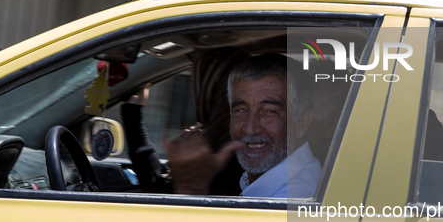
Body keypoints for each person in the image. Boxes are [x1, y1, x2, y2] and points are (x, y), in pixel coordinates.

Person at [165, 53, 322, 198]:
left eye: (269, 111)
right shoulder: (276, 182)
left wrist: (192, 189)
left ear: (301, 124)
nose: (250, 128)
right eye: (241, 110)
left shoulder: (294, 197)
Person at [121, 47, 250, 195]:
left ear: (206, 90)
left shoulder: (226, 153)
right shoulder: (231, 139)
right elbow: (156, 182)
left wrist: (191, 185)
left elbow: (158, 189)